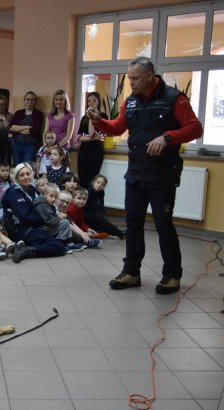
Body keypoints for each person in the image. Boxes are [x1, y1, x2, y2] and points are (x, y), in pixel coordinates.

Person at [87, 57, 203, 294]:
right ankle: (131, 272)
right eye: (129, 78)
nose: (131, 83)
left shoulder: (174, 98)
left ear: (150, 76)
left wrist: (167, 137)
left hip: (162, 176)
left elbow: (195, 127)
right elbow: (118, 127)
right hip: (136, 174)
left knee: (163, 225)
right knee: (133, 224)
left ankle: (171, 275)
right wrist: (100, 122)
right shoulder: (130, 101)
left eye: (135, 78)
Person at [1, 162, 66, 263]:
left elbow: (47, 206)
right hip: (20, 230)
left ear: (32, 174)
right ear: (16, 177)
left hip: (35, 226)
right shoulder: (13, 192)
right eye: (21, 175)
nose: (26, 177)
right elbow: (25, 217)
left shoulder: (32, 189)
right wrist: (44, 219)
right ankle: (27, 250)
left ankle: (24, 247)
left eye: (28, 174)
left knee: (61, 231)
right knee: (58, 246)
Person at [77, 92, 107, 188]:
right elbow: (79, 138)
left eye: (94, 100)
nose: (91, 103)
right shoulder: (84, 118)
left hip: (96, 151)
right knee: (82, 179)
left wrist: (91, 118)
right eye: (89, 101)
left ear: (98, 102)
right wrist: (92, 138)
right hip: (84, 151)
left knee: (94, 179)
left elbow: (93, 134)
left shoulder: (104, 117)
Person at [10, 91, 44, 165]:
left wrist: (18, 129)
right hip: (17, 144)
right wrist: (27, 127)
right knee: (17, 167)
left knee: (26, 167)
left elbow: (35, 131)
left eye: (32, 99)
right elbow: (11, 127)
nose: (30, 101)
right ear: (24, 100)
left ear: (35, 102)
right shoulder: (18, 113)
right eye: (28, 99)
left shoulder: (39, 114)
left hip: (30, 145)